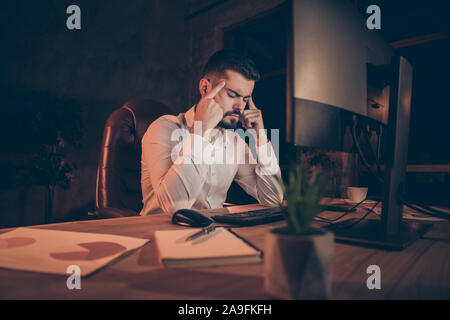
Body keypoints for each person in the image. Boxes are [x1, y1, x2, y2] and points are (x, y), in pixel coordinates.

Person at [140, 50, 283, 216]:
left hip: (212, 233)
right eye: (233, 94)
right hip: (158, 233)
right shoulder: (163, 128)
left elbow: (273, 198)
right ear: (205, 87)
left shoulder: (234, 142)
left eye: (245, 99)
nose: (240, 106)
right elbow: (176, 208)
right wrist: (201, 131)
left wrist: (261, 138)